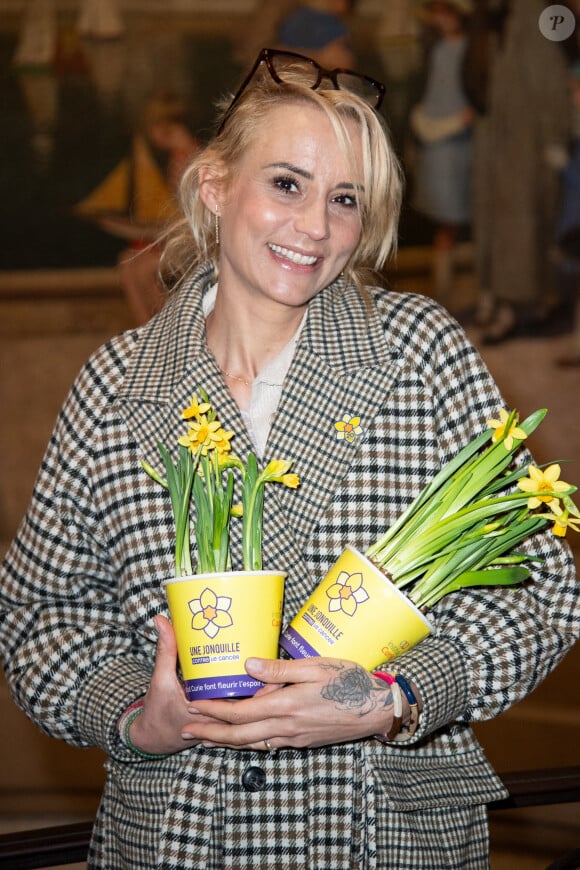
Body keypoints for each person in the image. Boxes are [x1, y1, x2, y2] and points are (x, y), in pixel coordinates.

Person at [0, 48, 578, 868]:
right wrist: (138, 715)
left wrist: (391, 698)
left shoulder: (417, 352)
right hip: (176, 837)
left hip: (385, 835)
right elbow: (41, 615)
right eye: (286, 184)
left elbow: (543, 592)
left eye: (346, 199)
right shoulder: (117, 384)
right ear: (215, 185)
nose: (315, 226)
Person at [410, 0, 476, 303]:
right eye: (437, 12)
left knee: (459, 218)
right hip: (436, 143)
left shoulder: (471, 51)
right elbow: (426, 92)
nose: (442, 19)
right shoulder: (434, 50)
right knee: (443, 223)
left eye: (447, 12)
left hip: (460, 144)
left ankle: (459, 292)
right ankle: (444, 293)